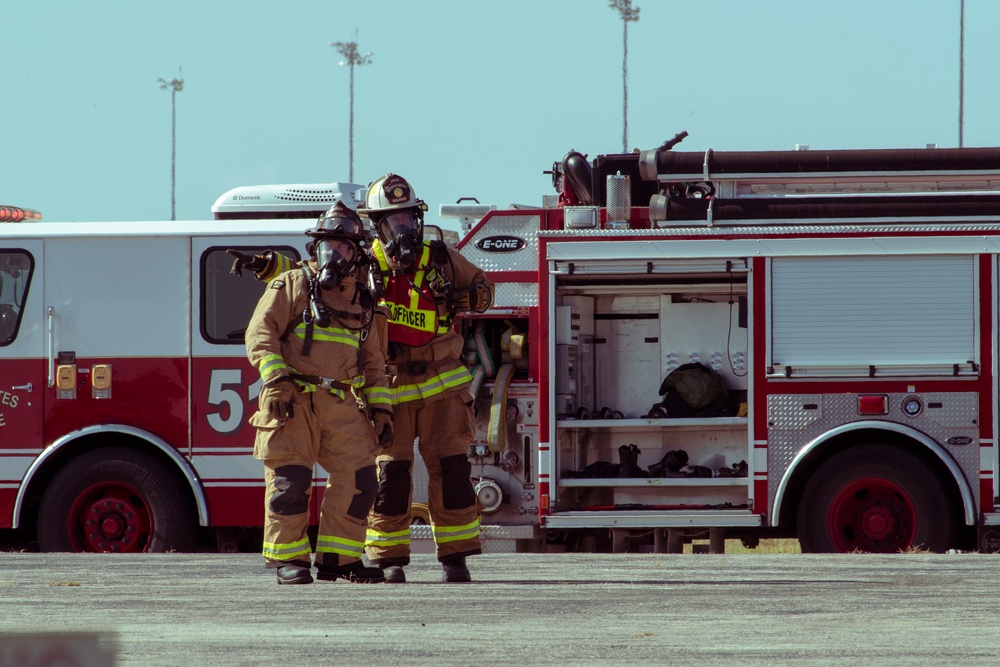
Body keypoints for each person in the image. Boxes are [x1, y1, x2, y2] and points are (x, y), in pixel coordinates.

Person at [244, 200, 394, 585]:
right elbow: (261, 334)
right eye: (328, 245)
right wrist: (275, 380)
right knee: (290, 481)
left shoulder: (363, 301)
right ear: (315, 248)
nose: (334, 254)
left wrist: (382, 410)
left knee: (360, 478)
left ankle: (339, 559)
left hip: (341, 401)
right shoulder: (292, 283)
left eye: (343, 247)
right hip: (292, 399)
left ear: (356, 254)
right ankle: (287, 560)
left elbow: (374, 363)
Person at [358, 173, 494, 583]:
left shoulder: (440, 258)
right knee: (391, 477)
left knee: (453, 470)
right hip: (391, 385)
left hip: (442, 386)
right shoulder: (367, 267)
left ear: (416, 219)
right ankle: (389, 558)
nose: (400, 229)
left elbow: (485, 291)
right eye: (390, 221)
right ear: (376, 227)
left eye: (405, 219)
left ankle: (456, 558)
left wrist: (464, 297)